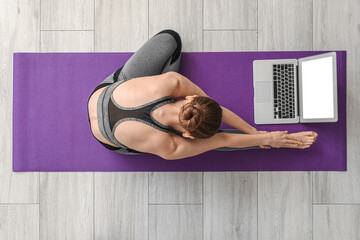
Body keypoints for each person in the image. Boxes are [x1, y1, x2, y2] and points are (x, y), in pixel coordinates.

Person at [87, 29, 318, 160]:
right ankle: (255, 140)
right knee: (214, 141)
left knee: (170, 39)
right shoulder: (169, 146)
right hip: (109, 139)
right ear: (187, 136)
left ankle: (248, 137)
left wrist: (256, 132)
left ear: (190, 99)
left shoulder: (171, 82)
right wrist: (266, 138)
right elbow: (222, 138)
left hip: (102, 95)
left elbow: (211, 112)